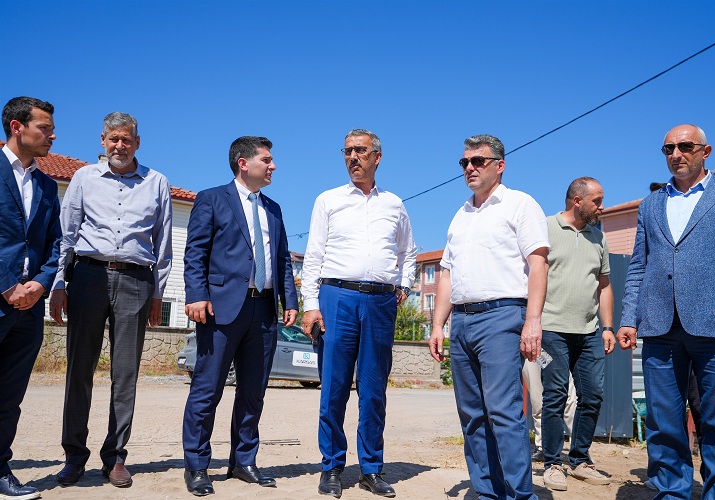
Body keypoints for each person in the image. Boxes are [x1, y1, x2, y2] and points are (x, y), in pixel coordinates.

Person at [617, 124, 715, 499]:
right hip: (659, 327)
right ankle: (671, 492)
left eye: (685, 146)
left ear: (706, 151)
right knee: (663, 423)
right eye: (668, 149)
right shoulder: (651, 204)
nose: (676, 154)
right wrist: (628, 319)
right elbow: (638, 267)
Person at [50, 112, 173, 488]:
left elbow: (164, 242)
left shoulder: (156, 182)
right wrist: (58, 284)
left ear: (137, 142)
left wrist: (158, 293)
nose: (120, 146)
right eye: (113, 139)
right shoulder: (84, 178)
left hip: (136, 280)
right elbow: (67, 235)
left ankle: (115, 456)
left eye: (127, 139)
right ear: (103, 141)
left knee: (125, 375)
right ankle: (74, 455)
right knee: (79, 370)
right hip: (88, 277)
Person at [429, 134, 549, 500]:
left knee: (503, 411)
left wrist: (533, 320)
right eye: (464, 162)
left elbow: (539, 263)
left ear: (500, 165)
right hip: (462, 321)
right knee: (472, 414)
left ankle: (519, 494)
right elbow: (447, 274)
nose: (469, 167)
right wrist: (437, 324)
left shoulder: (520, 204)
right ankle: (487, 492)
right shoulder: (460, 215)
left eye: (477, 161)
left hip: (502, 317)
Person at [301, 129, 416, 498]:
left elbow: (409, 253)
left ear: (377, 157)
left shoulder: (394, 204)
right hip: (337, 298)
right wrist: (311, 304)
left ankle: (371, 469)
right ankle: (332, 467)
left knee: (373, 390)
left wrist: (404, 286)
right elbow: (313, 256)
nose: (353, 157)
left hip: (380, 303)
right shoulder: (328, 200)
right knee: (334, 388)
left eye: (360, 150)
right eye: (347, 151)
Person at [182, 136, 298, 497]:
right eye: (267, 159)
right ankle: (197, 466)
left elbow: (282, 259)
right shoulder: (212, 199)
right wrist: (196, 294)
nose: (273, 166)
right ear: (243, 163)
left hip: (263, 310)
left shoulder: (273, 209)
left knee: (253, 391)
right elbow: (195, 252)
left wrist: (290, 300)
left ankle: (244, 461)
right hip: (220, 309)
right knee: (207, 389)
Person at [0, 96, 61, 500]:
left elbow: (56, 242)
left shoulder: (46, 184)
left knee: (9, 396)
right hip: (3, 294)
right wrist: (7, 285)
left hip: (29, 308)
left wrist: (40, 283)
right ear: (17, 127)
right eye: (45, 128)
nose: (52, 136)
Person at [539, 177, 615, 491]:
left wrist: (607, 327)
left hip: (589, 331)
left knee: (593, 395)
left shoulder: (599, 237)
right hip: (549, 330)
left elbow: (604, 286)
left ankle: (580, 460)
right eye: (597, 201)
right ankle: (552, 463)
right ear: (577, 201)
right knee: (555, 396)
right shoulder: (544, 228)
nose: (602, 207)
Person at [521, 361, 576, 462]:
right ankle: (543, 447)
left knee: (569, 399)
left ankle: (578, 449)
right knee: (537, 400)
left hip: (555, 352)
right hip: (531, 355)